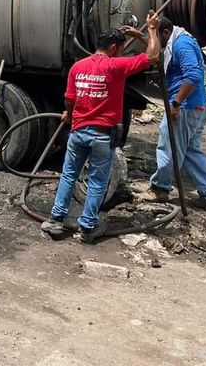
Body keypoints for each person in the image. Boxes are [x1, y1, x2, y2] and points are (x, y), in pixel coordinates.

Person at [41, 14, 160, 243]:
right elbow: (153, 56)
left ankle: (56, 220)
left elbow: (69, 99)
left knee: (68, 175)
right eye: (122, 49)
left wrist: (70, 112)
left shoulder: (78, 66)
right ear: (114, 48)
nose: (123, 53)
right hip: (101, 135)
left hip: (77, 132)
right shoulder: (116, 67)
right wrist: (151, 30)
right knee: (97, 181)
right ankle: (87, 227)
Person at [139, 17, 206, 208]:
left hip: (185, 107)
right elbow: (161, 53)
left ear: (166, 33)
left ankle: (160, 189)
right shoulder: (178, 39)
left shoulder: (182, 44)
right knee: (192, 152)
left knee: (168, 148)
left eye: (157, 36)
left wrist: (176, 103)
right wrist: (141, 36)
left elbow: (193, 75)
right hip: (195, 107)